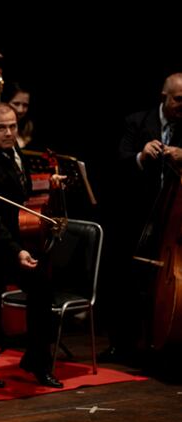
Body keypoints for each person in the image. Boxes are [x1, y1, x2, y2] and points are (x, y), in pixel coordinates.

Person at [0, 103, 63, 388]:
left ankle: (37, 361)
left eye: (13, 126)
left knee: (42, 292)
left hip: (24, 240)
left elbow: (23, 195)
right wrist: (17, 251)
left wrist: (49, 185)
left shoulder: (16, 152)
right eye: (2, 127)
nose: (9, 132)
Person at [102, 73, 182, 363]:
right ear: (164, 98)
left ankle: (164, 342)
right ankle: (121, 344)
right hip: (136, 214)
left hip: (174, 219)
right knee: (125, 279)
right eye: (179, 100)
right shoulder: (136, 122)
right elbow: (118, 160)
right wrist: (141, 155)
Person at [3, 82, 34, 148]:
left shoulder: (30, 128)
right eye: (16, 104)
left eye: (25, 105)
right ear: (5, 102)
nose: (20, 110)